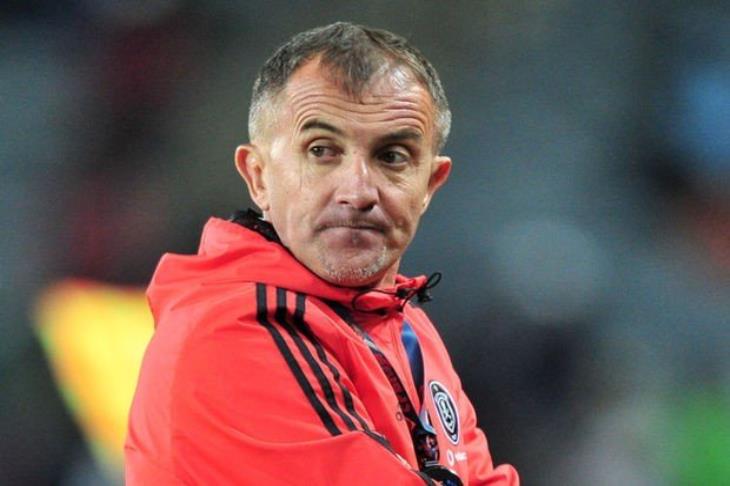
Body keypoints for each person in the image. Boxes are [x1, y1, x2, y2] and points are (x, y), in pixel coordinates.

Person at [125, 22, 519, 485]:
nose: (358, 191)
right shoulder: (230, 333)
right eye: (322, 151)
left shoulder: (405, 327)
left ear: (430, 184)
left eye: (392, 156)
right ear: (258, 176)